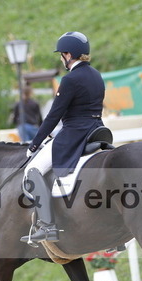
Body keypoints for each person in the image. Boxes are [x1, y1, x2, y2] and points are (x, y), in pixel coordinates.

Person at [20, 31, 105, 244]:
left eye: (61, 54)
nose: (61, 58)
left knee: (32, 171)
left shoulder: (70, 79)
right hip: (97, 129)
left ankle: (47, 226)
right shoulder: (96, 74)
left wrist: (34, 144)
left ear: (68, 54)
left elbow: (54, 115)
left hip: (75, 133)